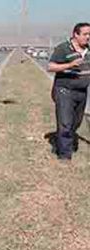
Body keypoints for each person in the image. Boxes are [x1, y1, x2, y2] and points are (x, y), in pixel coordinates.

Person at [48, 23, 90, 160]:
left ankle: (62, 142)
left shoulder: (88, 50)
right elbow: (51, 66)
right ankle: (65, 156)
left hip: (82, 92)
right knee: (65, 122)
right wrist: (70, 65)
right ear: (75, 34)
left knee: (76, 122)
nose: (88, 37)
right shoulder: (63, 48)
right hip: (64, 90)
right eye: (85, 34)